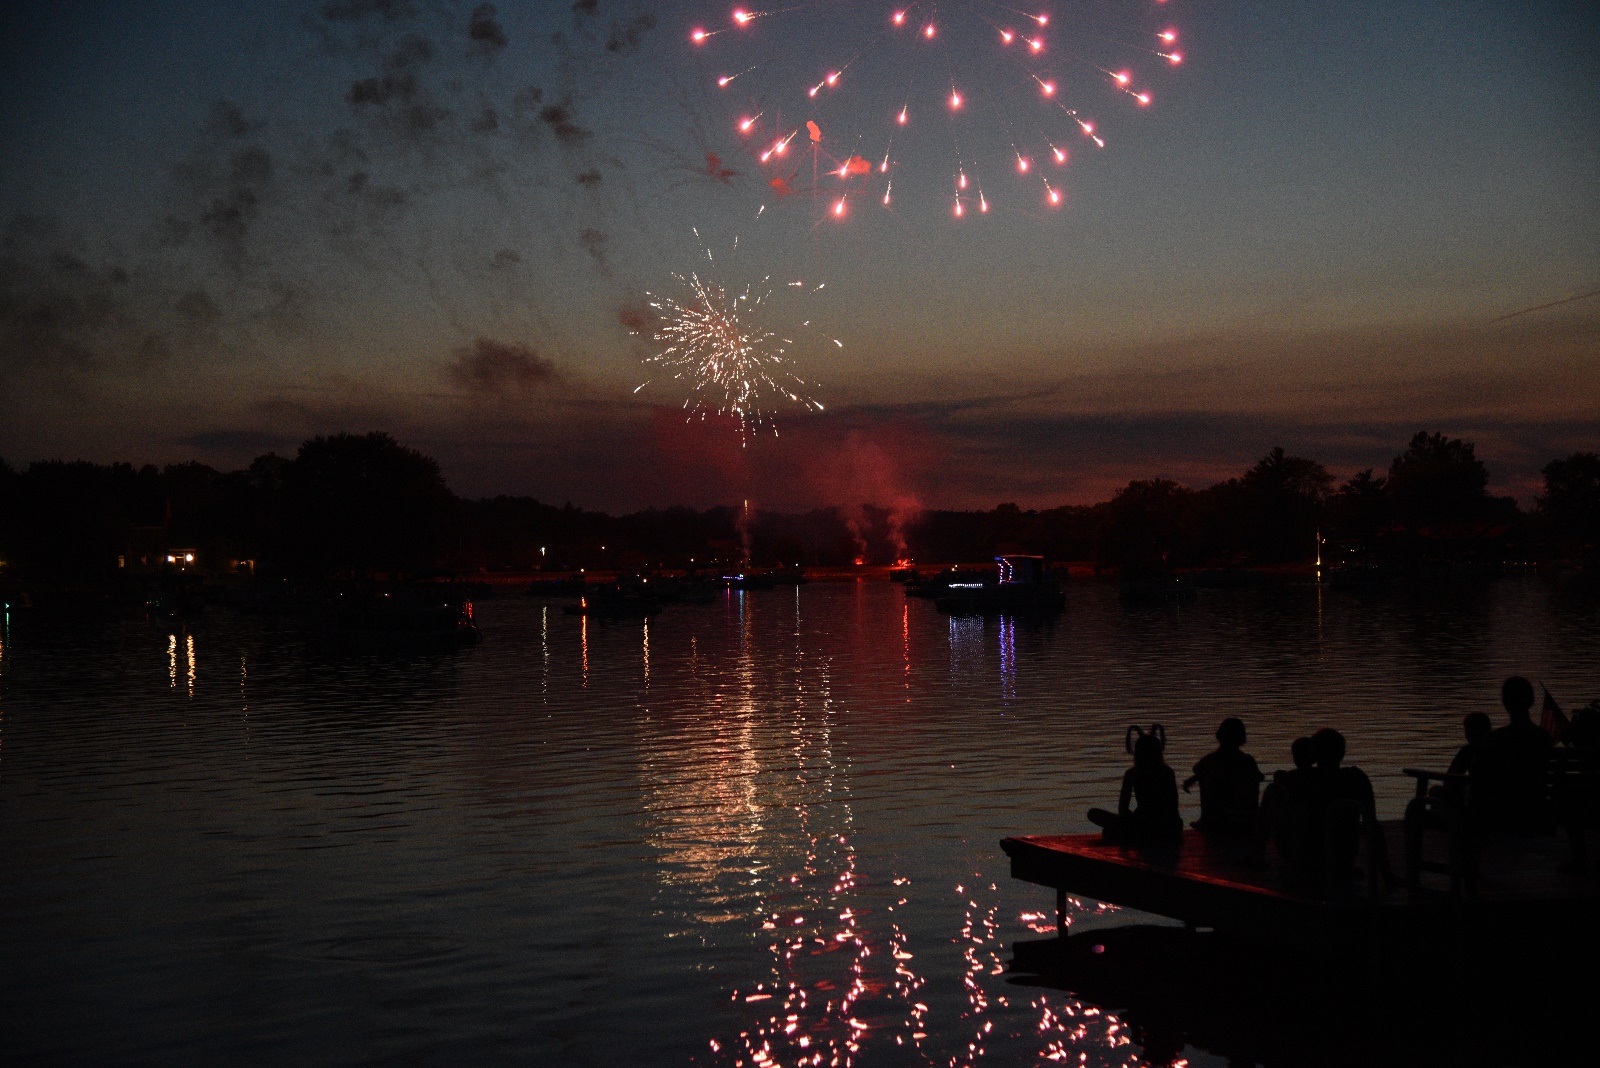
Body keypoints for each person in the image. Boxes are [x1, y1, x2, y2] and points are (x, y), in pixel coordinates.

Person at [1471, 675, 1555, 832]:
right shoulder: (1543, 738)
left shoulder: (1494, 739)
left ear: (1505, 703)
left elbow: (1477, 774)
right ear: (1531, 702)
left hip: (1499, 812)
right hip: (1536, 808)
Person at [1088, 725, 1183, 844]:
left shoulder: (1132, 773)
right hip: (1170, 828)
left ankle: (1130, 834)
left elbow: (1123, 808)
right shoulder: (1167, 772)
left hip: (1143, 826)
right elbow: (1173, 805)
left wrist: (1133, 820)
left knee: (1094, 815)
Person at [1184, 717, 1264, 837]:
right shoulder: (1248, 761)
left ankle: (1207, 819)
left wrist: (1194, 778)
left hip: (1218, 818)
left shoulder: (1209, 760)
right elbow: (1259, 777)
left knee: (1206, 775)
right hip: (1246, 817)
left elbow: (1198, 769)